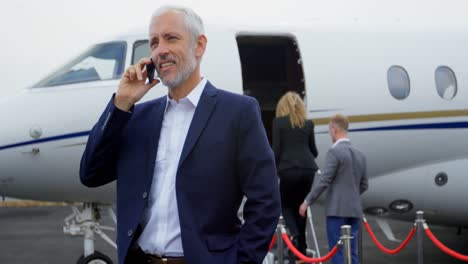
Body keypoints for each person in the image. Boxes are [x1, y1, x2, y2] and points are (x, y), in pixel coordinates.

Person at [80, 6, 280, 264]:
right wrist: (121, 103)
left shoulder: (238, 113)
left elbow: (266, 200)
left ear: (199, 45)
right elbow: (90, 174)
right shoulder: (137, 117)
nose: (160, 50)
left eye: (171, 38)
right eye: (153, 43)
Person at [299, 114, 368, 264]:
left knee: (337, 253)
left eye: (330, 130)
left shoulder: (334, 152)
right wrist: (352, 196)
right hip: (355, 210)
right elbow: (364, 185)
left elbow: (324, 181)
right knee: (352, 252)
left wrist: (307, 201)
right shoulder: (360, 155)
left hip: (336, 210)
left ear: (334, 129)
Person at [272, 91, 318, 256]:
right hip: (308, 169)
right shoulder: (308, 124)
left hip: (288, 169)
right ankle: (302, 247)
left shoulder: (278, 123)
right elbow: (314, 151)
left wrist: (273, 170)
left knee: (285, 205)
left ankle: (294, 235)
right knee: (301, 206)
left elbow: (276, 151)